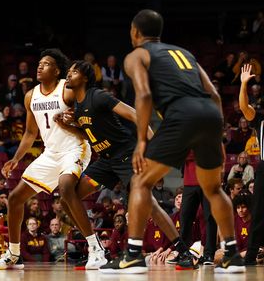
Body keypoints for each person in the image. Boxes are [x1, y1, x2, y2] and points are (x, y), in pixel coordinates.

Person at [101, 9, 244, 274]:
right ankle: (233, 254)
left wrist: (142, 141)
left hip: (181, 113)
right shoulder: (184, 53)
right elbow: (213, 93)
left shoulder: (137, 55)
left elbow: (143, 96)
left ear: (135, 32)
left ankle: (132, 254)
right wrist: (218, 132)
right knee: (213, 189)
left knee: (141, 181)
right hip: (210, 115)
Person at [58, 60, 192, 267]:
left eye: (73, 72)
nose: (68, 75)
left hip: (125, 155)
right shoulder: (79, 105)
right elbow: (87, 134)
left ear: (85, 77)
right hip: (106, 161)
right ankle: (96, 249)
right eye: (68, 72)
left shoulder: (98, 96)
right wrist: (67, 124)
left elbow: (135, 115)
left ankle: (182, 251)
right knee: (70, 196)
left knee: (150, 205)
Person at [0, 50, 105, 270]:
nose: (40, 67)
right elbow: (30, 133)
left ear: (57, 70)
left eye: (47, 64)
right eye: (39, 63)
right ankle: (14, 254)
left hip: (74, 148)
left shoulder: (67, 89)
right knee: (14, 198)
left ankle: (96, 248)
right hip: (51, 154)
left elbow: (88, 119)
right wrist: (15, 159)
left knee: (65, 188)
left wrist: (75, 121)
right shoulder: (30, 96)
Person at [239, 64, 264, 266]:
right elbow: (244, 108)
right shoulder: (260, 119)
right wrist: (243, 85)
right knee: (258, 215)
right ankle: (249, 257)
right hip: (263, 168)